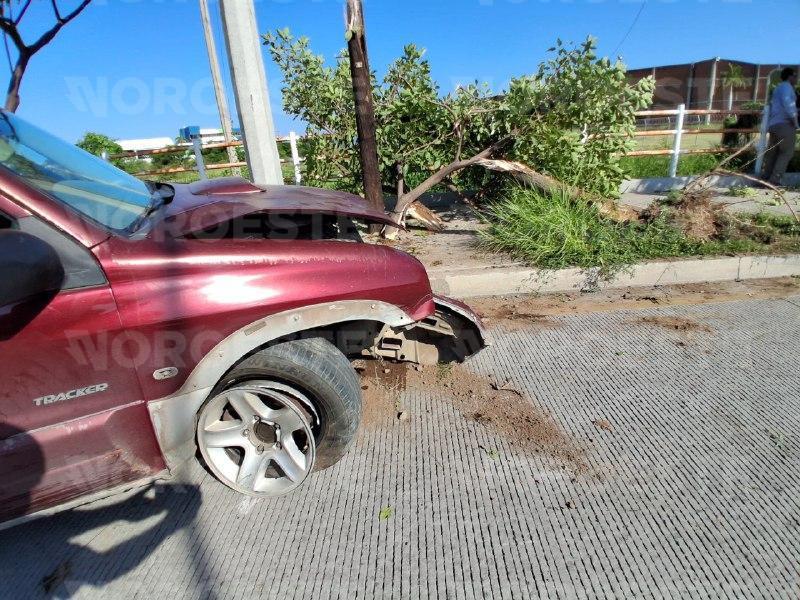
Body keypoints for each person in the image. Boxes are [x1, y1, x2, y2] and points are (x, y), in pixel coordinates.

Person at [761, 67, 799, 186]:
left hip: (774, 124)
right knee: (786, 152)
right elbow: (789, 104)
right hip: (785, 124)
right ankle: (775, 180)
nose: (796, 78)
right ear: (790, 76)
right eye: (795, 76)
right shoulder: (787, 88)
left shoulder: (778, 88)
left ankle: (764, 178)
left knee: (773, 153)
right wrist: (795, 121)